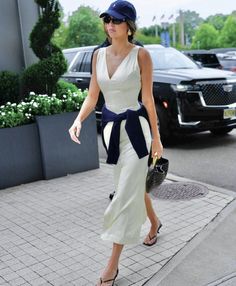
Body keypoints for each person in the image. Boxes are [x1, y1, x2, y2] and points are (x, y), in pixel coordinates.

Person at [68, 1, 163, 285]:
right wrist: (78, 120)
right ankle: (155, 223)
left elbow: (147, 100)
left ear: (129, 26)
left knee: (123, 194)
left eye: (117, 20)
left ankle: (112, 265)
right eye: (107, 19)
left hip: (136, 131)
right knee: (131, 185)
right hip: (111, 132)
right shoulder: (97, 56)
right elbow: (92, 96)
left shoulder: (142, 56)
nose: (110, 24)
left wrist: (157, 139)